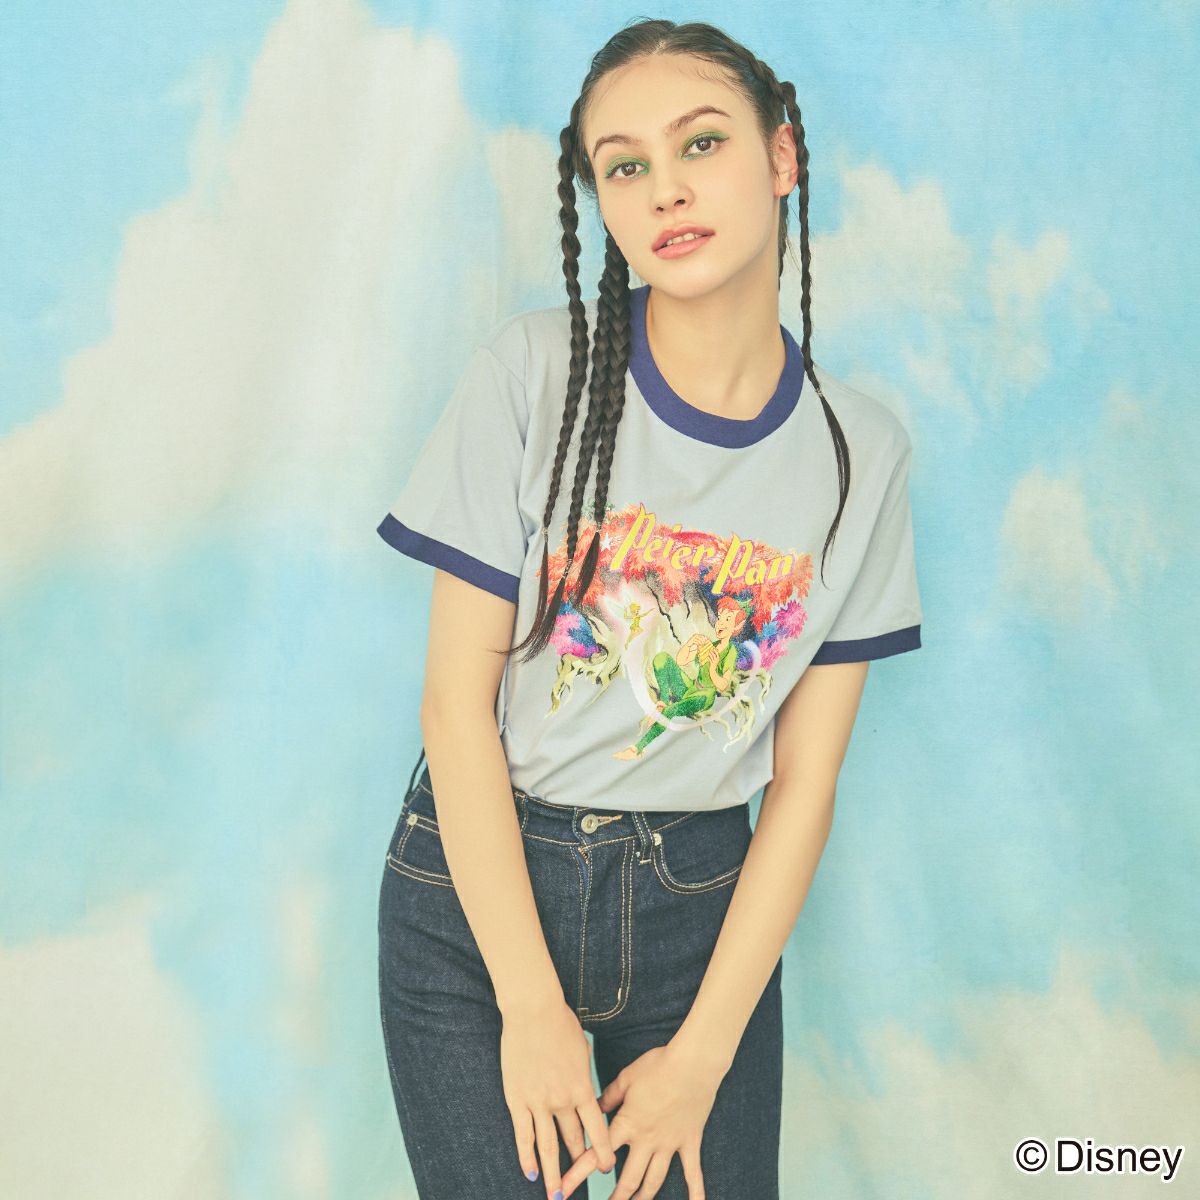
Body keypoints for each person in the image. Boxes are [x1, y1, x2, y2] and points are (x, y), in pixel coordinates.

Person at [376, 17, 924, 1200]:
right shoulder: (533, 375)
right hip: (477, 899)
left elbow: (805, 782)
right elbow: (453, 707)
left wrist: (705, 1058)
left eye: (702, 143)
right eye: (624, 166)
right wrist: (529, 1008)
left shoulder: (860, 454)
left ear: (783, 155)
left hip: (699, 920)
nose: (665, 188)